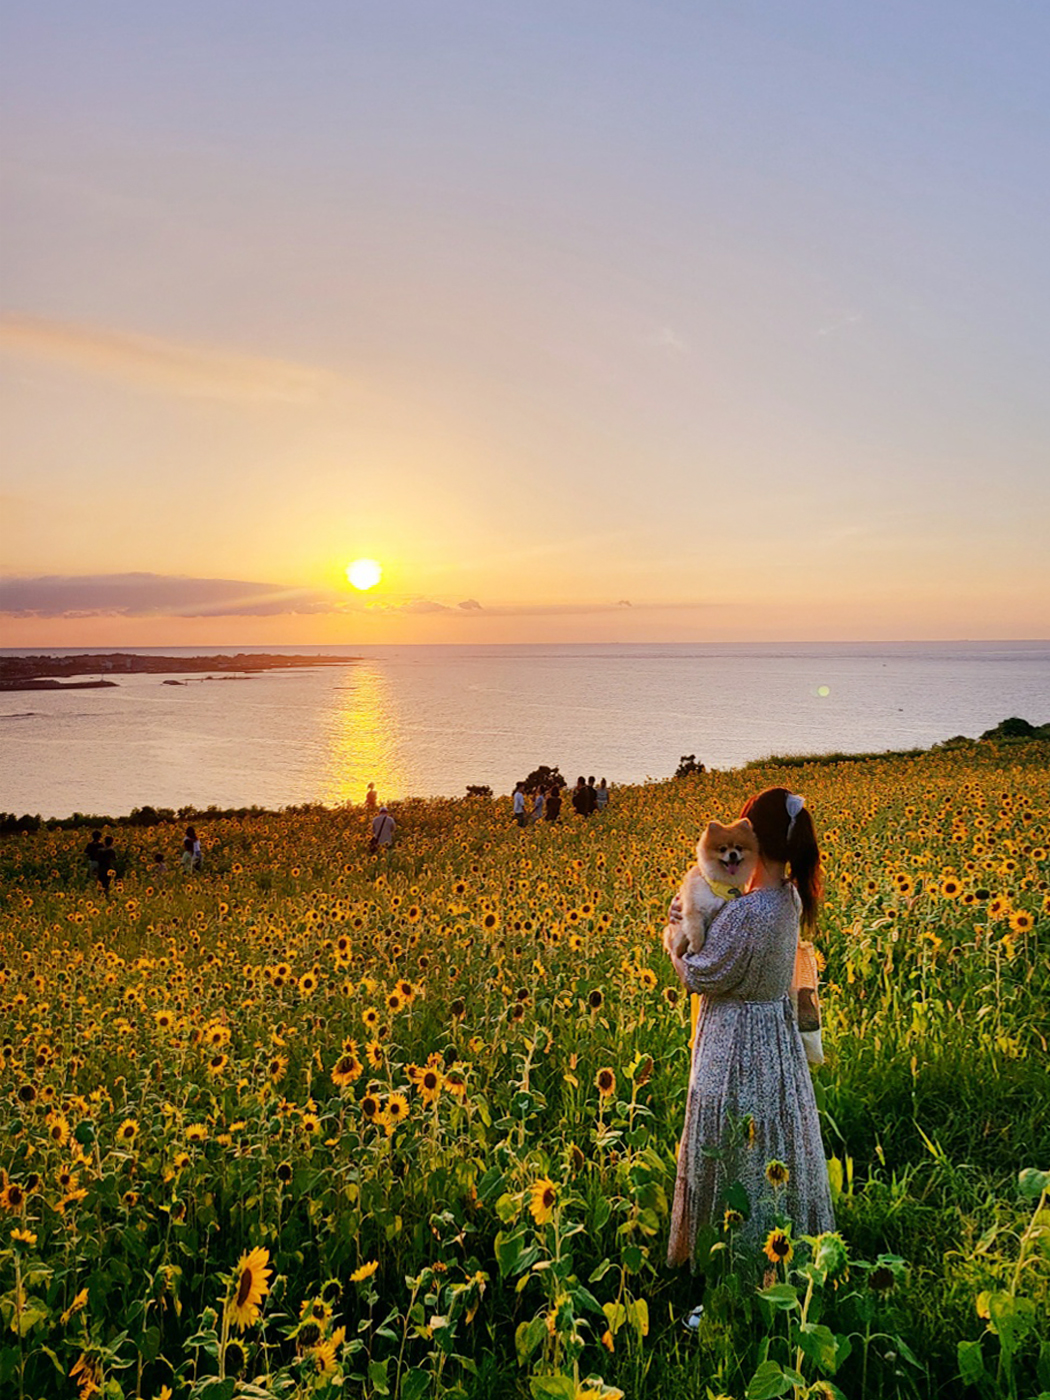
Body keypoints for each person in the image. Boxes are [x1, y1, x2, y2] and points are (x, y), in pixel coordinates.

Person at [663, 787, 834, 1312]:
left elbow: (700, 972)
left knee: (729, 1155)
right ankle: (780, 1268)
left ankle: (729, 1282)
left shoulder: (746, 914)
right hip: (776, 1044)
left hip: (733, 1045)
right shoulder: (789, 900)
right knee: (772, 1152)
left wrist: (673, 931)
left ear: (753, 839)